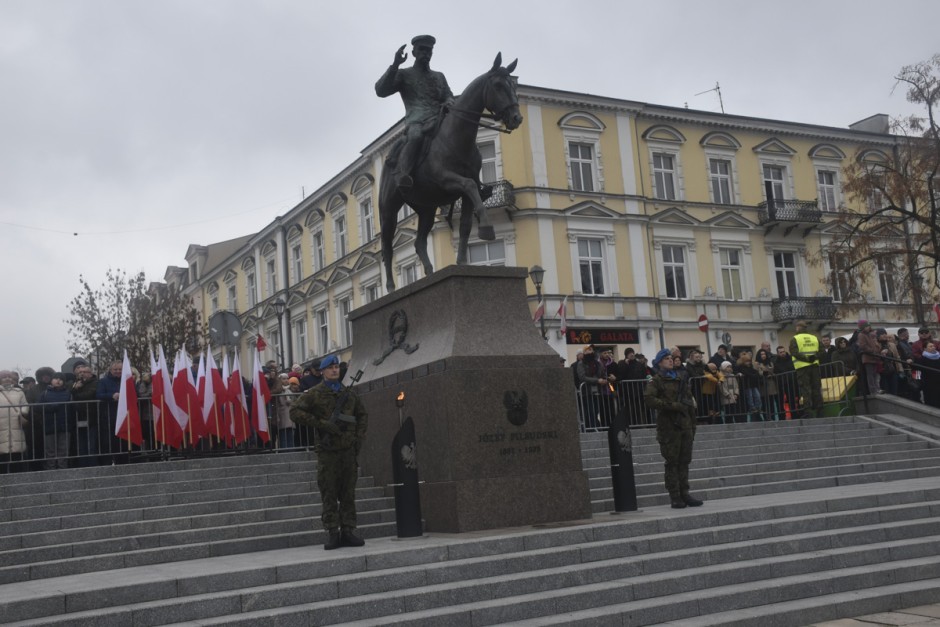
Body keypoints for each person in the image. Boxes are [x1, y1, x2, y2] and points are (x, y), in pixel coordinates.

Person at [289, 354, 368, 550]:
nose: (335, 370)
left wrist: (357, 440)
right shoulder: (315, 393)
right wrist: (322, 424)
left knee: (348, 494)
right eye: (330, 367)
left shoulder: (348, 393)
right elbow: (295, 411)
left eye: (336, 367)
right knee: (329, 493)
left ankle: (348, 531)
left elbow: (362, 415)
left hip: (348, 451)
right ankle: (333, 532)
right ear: (322, 371)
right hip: (328, 452)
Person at [375, 35, 455, 189]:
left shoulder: (439, 76)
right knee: (416, 136)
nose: (426, 53)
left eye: (429, 50)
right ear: (414, 53)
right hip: (417, 120)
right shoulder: (405, 74)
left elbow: (448, 95)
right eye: (422, 50)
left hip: (439, 118)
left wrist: (449, 101)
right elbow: (381, 90)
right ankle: (403, 174)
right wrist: (395, 65)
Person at [643, 348, 703, 509]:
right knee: (672, 462)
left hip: (685, 426)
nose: (671, 360)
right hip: (669, 428)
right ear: (660, 362)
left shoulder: (680, 378)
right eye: (667, 358)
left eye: (671, 358)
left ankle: (685, 493)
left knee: (684, 462)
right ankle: (675, 496)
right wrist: (671, 406)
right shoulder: (656, 380)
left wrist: (692, 424)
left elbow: (688, 403)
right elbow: (649, 399)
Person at [790, 321, 823, 418]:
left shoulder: (795, 339)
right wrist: (814, 357)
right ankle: (820, 411)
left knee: (806, 389)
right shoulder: (814, 338)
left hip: (802, 368)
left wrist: (807, 359)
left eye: (796, 327)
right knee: (816, 389)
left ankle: (808, 412)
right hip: (814, 367)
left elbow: (794, 352)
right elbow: (822, 351)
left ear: (798, 328)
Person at [71, 364, 100, 465]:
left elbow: (88, 395)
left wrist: (76, 392)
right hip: (78, 417)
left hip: (91, 417)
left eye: (85, 372)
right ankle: (82, 465)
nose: (82, 374)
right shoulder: (76, 383)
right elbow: (70, 395)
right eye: (80, 372)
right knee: (81, 445)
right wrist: (75, 388)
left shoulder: (95, 382)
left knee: (91, 444)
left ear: (91, 373)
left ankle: (92, 465)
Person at [574, 345, 609, 430]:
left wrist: (606, 379)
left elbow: (603, 374)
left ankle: (594, 428)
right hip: (586, 392)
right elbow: (582, 377)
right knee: (590, 412)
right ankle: (591, 429)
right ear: (584, 352)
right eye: (588, 350)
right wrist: (597, 381)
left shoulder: (597, 363)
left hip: (597, 391)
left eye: (591, 349)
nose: (590, 351)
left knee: (596, 411)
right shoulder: (581, 363)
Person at [0, 370, 29, 473]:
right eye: (4, 377)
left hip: (16, 425)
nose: (7, 379)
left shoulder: (19, 392)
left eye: (9, 377)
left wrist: (21, 412)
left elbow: (25, 405)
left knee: (17, 455)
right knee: (2, 456)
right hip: (2, 427)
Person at [40, 373, 71, 469]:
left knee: (63, 449)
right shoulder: (44, 393)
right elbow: (38, 407)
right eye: (56, 378)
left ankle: (63, 468)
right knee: (50, 450)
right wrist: (51, 408)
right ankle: (51, 469)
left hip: (64, 424)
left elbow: (73, 408)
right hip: (49, 425)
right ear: (51, 380)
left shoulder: (68, 393)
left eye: (61, 379)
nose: (58, 381)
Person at [856, 322, 882, 396]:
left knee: (874, 374)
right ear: (863, 327)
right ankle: (873, 390)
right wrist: (872, 350)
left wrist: (876, 350)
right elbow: (863, 346)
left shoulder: (869, 335)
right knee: (870, 375)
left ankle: (877, 389)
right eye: (867, 326)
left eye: (869, 326)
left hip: (873, 356)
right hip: (868, 357)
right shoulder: (861, 335)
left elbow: (873, 344)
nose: (869, 328)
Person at [754, 348, 778, 421]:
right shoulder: (757, 363)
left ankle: (772, 417)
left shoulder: (770, 363)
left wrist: (771, 374)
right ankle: (766, 417)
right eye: (761, 354)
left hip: (771, 384)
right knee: (764, 403)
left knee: (771, 402)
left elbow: (774, 371)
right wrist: (764, 372)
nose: (763, 355)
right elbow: (758, 373)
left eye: (764, 354)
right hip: (762, 385)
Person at [915, 342, 940, 409]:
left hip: (938, 382)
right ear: (925, 349)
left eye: (933, 346)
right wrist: (918, 380)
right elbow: (918, 371)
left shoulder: (938, 357)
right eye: (930, 346)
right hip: (928, 383)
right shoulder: (922, 359)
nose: (933, 347)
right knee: (930, 400)